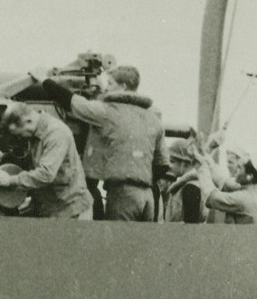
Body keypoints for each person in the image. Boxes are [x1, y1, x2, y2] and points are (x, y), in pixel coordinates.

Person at [41, 65, 168, 221]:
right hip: (147, 197)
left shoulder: (108, 112)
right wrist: (141, 178)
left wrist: (44, 80)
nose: (106, 89)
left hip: (122, 195)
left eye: (110, 83)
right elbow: (163, 164)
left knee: (116, 243)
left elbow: (73, 102)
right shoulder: (154, 119)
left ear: (123, 87)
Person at [0, 102, 93, 219]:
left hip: (71, 210)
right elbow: (34, 160)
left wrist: (11, 180)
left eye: (20, 134)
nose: (21, 138)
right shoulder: (35, 132)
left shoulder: (56, 134)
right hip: (51, 206)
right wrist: (6, 158)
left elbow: (46, 174)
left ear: (28, 121)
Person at [193, 147, 257, 225]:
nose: (236, 171)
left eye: (239, 168)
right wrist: (206, 158)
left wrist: (201, 168)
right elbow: (224, 182)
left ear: (249, 176)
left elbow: (211, 198)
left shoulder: (244, 198)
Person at [162, 138, 204, 223]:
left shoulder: (190, 187)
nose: (169, 165)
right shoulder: (188, 185)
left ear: (184, 163)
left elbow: (190, 228)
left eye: (172, 161)